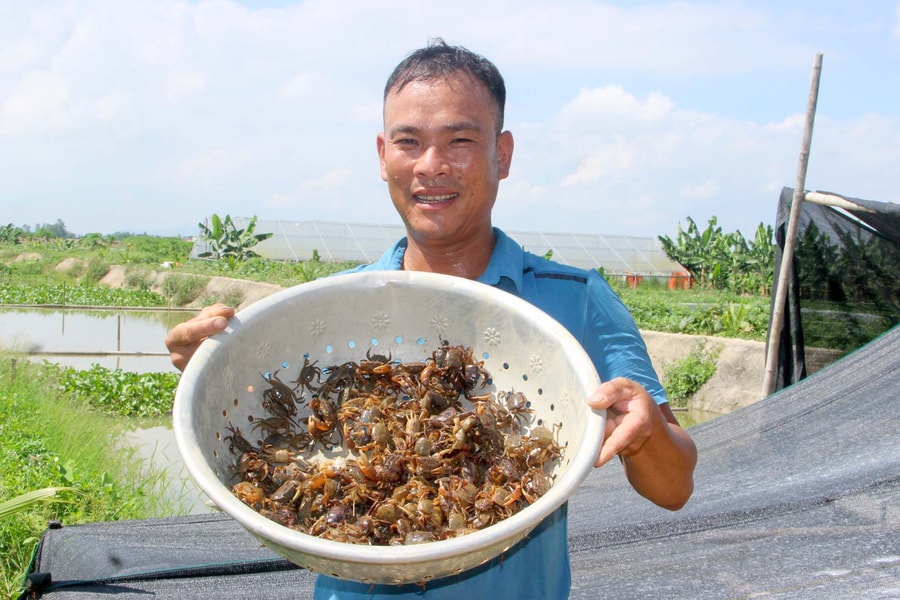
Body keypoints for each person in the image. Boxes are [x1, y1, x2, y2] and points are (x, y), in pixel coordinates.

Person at [166, 39, 697, 599]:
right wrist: (211, 363)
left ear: (504, 153)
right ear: (381, 155)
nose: (431, 165)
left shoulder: (578, 300)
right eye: (409, 142)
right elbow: (266, 413)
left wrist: (647, 435)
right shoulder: (336, 303)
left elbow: (675, 487)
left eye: (461, 140)